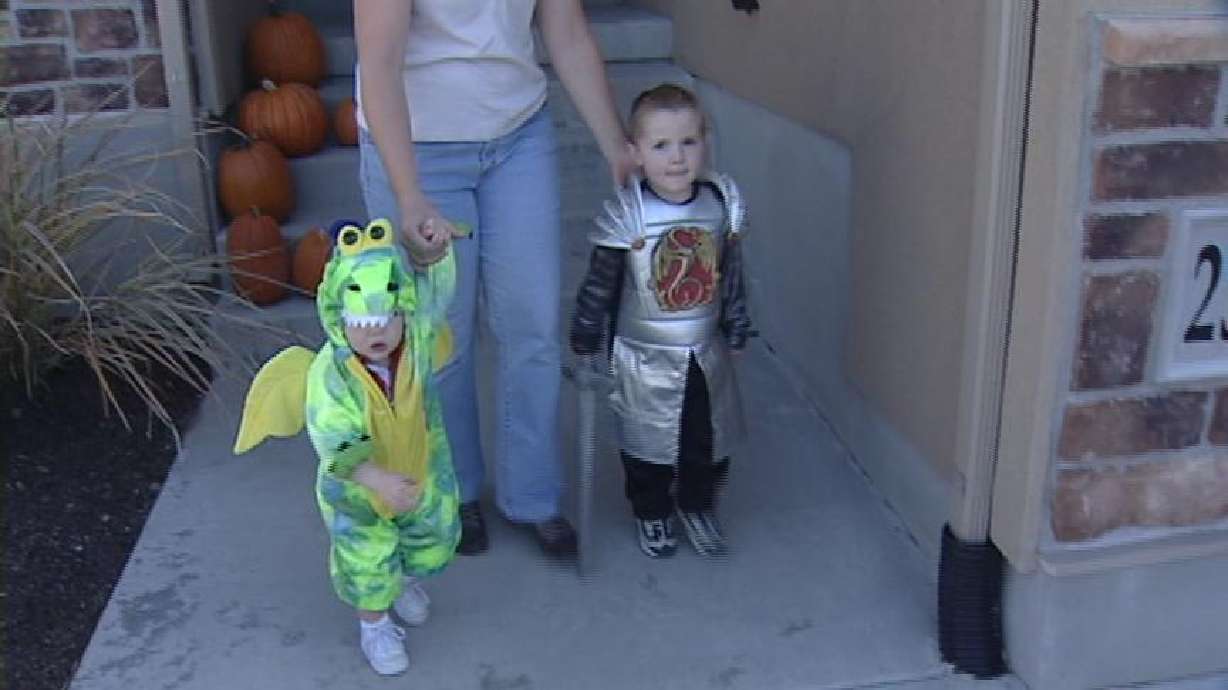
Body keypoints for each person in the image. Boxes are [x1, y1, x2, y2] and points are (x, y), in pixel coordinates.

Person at [353, 0, 635, 556]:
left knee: (531, 323)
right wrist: (409, 196)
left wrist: (616, 147)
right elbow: (379, 64)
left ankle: (533, 496)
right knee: (441, 336)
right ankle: (454, 492)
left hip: (517, 136)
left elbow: (568, 34)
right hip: (420, 147)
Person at [233, 219, 459, 676]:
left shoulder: (413, 340)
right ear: (339, 316)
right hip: (358, 488)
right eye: (362, 324)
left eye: (387, 320)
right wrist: (375, 479)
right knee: (366, 556)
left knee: (425, 534)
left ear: (402, 311)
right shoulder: (331, 376)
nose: (377, 335)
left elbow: (435, 297)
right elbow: (334, 437)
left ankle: (405, 580)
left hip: (418, 467)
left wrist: (437, 257)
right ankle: (374, 626)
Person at [570, 84, 752, 558]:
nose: (677, 158)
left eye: (688, 142)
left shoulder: (720, 203)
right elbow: (601, 283)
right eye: (661, 145)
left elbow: (729, 271)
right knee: (645, 443)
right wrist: (586, 334)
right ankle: (652, 510)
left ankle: (697, 503)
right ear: (635, 153)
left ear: (705, 142)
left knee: (705, 437)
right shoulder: (627, 214)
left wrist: (735, 321)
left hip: (703, 350)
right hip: (643, 354)